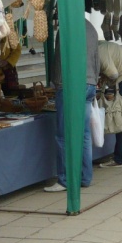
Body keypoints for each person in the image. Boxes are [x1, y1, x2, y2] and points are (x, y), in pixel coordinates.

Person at [45, 14, 100, 191]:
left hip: (71, 84)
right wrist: (94, 80)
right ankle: (85, 177)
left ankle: (65, 179)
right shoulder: (91, 28)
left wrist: (56, 82)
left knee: (63, 134)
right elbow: (96, 59)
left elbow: (59, 58)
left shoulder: (67, 28)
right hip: (89, 82)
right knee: (84, 133)